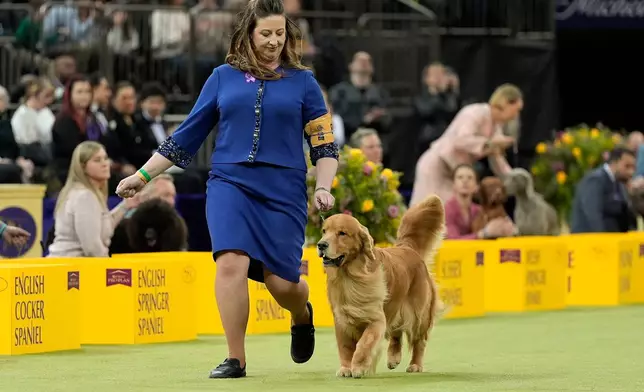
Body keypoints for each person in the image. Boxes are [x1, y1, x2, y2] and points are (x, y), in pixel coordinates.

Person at [115, 0, 338, 379]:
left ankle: (301, 314)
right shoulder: (222, 76)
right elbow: (187, 134)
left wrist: (324, 186)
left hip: (283, 188)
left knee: (283, 284)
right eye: (265, 33)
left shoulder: (304, 81)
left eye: (280, 34)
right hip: (229, 182)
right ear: (249, 33)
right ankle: (236, 358)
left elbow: (324, 145)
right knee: (230, 261)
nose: (273, 41)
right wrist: (143, 176)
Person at [410, 84, 523, 206]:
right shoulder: (475, 112)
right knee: (425, 213)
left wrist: (515, 179)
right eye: (516, 110)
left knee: (453, 214)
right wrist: (489, 143)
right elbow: (461, 140)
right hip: (436, 167)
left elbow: (497, 159)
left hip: (455, 174)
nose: (516, 115)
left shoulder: (496, 126)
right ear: (505, 103)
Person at [47, 141, 138, 257]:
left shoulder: (81, 192)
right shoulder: (84, 196)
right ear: (82, 167)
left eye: (105, 158)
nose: (105, 164)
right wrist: (108, 269)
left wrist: (125, 206)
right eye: (97, 160)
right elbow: (92, 248)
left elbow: (101, 228)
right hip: (73, 269)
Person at [571, 147, 637, 233]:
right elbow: (593, 215)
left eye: (633, 167)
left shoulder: (619, 183)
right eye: (627, 166)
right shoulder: (595, 180)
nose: (631, 172)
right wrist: (604, 241)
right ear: (614, 162)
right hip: (591, 241)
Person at [445, 164, 516, 239]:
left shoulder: (478, 210)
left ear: (476, 186)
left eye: (470, 178)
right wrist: (484, 233)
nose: (465, 181)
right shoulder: (447, 210)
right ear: (453, 185)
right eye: (460, 177)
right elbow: (453, 240)